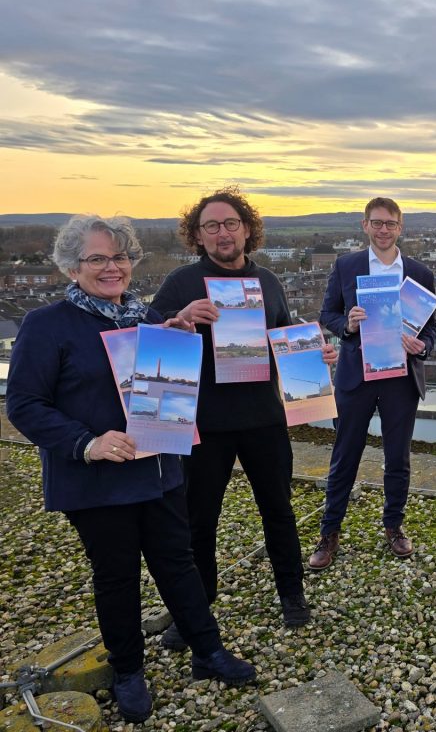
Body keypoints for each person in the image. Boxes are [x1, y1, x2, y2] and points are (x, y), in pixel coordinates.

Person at [6, 216, 255, 723]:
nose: (111, 267)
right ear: (72, 267)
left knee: (177, 561)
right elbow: (25, 404)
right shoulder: (47, 323)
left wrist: (176, 340)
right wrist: (87, 442)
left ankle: (208, 650)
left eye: (119, 257)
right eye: (97, 259)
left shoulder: (143, 318)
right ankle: (128, 671)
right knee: (117, 576)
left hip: (158, 466)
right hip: (96, 477)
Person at [152, 188, 337, 646]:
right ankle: (198, 607)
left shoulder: (269, 281)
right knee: (199, 521)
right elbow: (146, 345)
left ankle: (291, 593)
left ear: (247, 228)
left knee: (278, 510)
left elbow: (283, 341)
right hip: (205, 424)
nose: (222, 233)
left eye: (230, 223)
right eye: (211, 226)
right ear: (197, 235)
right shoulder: (180, 283)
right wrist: (177, 320)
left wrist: (316, 355)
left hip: (262, 419)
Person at [307, 197, 436, 569]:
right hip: (356, 376)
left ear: (400, 227)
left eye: (390, 224)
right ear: (365, 225)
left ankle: (394, 525)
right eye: (376, 223)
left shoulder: (419, 273)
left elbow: (429, 330)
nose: (383, 230)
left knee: (398, 457)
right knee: (344, 456)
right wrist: (347, 324)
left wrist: (422, 346)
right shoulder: (346, 266)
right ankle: (329, 532)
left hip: (400, 378)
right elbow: (327, 314)